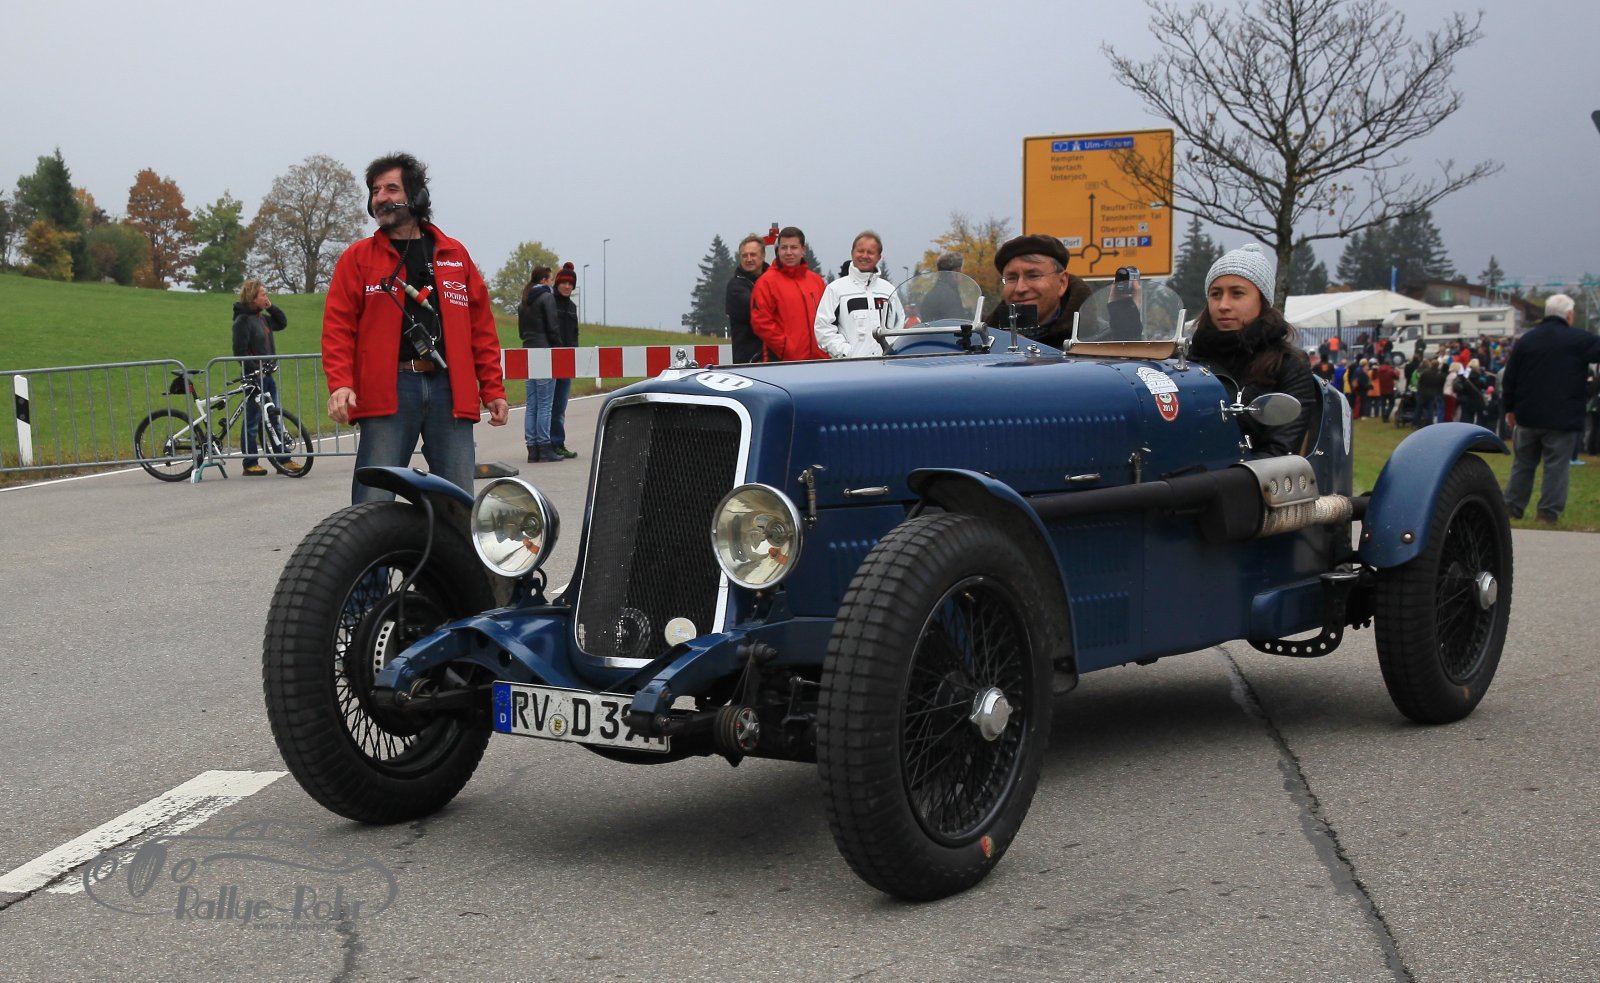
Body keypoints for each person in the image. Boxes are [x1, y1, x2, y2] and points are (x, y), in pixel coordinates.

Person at [322, 151, 509, 504]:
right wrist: (341, 384)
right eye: (375, 191)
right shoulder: (358, 259)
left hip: (449, 390)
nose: (380, 198)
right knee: (373, 504)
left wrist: (493, 389)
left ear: (417, 196)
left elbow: (481, 329)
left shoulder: (454, 255)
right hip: (389, 389)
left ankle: (451, 545)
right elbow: (337, 328)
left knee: (458, 502)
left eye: (391, 188)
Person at [1185, 243, 1318, 456]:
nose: (1223, 305)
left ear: (1262, 301)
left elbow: (1280, 452)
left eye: (1237, 294)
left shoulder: (1289, 365)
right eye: (1216, 294)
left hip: (1255, 475)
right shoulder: (1188, 360)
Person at [1500, 294, 1600, 522]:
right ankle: (1547, 512)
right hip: (1563, 416)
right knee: (1556, 467)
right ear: (1569, 315)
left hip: (1527, 413)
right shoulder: (1579, 339)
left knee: (1523, 463)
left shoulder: (1526, 340)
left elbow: (1510, 376)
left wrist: (1509, 407)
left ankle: (1512, 506)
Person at [982, 234, 1092, 348]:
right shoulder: (982, 340)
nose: (1020, 288)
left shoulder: (1095, 340)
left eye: (1033, 276)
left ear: (1062, 283)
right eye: (1011, 278)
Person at [232, 279, 292, 476]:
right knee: (252, 420)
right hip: (254, 378)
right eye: (263, 295)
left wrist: (271, 307)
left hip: (267, 376)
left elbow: (282, 322)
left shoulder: (262, 319)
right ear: (252, 298)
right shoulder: (242, 321)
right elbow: (239, 352)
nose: (266, 297)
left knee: (273, 417)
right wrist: (254, 371)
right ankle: (250, 462)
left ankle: (283, 459)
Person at [814, 230, 897, 358]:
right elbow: (823, 329)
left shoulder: (889, 291)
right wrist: (846, 353)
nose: (865, 256)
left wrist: (892, 353)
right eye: (860, 251)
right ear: (852, 253)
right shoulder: (835, 289)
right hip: (850, 367)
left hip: (886, 365)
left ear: (879, 257)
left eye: (870, 252)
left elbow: (898, 327)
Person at [750, 226, 826, 361]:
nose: (789, 252)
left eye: (794, 247)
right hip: (783, 362)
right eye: (784, 248)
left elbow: (829, 318)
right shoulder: (766, 282)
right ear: (778, 250)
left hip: (820, 360)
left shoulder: (816, 281)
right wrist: (785, 348)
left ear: (803, 249)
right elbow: (761, 323)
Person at [518, 265, 561, 462]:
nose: (552, 283)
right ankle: (545, 447)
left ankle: (532, 448)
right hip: (544, 352)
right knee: (545, 404)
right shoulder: (547, 297)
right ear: (544, 280)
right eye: (551, 279)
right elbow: (553, 326)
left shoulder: (524, 300)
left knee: (532, 404)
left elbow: (521, 333)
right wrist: (558, 348)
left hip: (527, 352)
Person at [548, 263, 581, 458]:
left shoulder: (572, 307)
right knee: (548, 405)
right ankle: (546, 443)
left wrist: (575, 355)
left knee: (560, 406)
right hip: (550, 359)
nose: (567, 286)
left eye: (570, 283)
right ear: (557, 283)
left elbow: (575, 334)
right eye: (564, 283)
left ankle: (558, 442)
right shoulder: (549, 302)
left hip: (567, 362)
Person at [726, 234, 768, 363]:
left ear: (763, 256)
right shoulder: (735, 287)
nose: (749, 259)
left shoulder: (775, 281)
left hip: (775, 357)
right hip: (748, 361)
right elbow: (759, 312)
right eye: (745, 255)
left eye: (753, 255)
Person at [917, 252, 970, 322]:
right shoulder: (950, 295)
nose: (962, 275)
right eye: (960, 271)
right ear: (956, 271)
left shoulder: (931, 293)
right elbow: (956, 323)